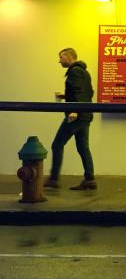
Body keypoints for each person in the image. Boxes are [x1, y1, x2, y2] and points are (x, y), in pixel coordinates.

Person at [44, 48, 97, 190]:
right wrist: (66, 96)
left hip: (76, 116)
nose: (59, 60)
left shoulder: (75, 72)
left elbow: (79, 92)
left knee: (57, 144)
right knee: (83, 147)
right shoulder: (84, 72)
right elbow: (88, 92)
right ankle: (90, 179)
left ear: (68, 56)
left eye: (61, 57)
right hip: (85, 115)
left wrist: (74, 110)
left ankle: (54, 178)